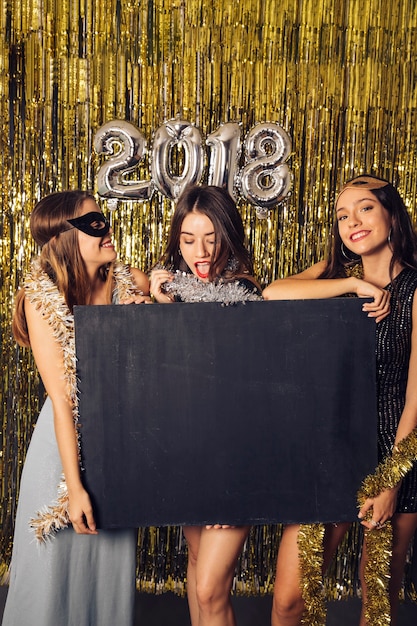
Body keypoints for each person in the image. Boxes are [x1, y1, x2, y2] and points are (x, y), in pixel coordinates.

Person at [263, 174, 417, 626]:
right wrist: (350, 287)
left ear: (392, 212)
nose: (353, 221)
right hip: (332, 454)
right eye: (342, 215)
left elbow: (415, 400)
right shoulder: (336, 279)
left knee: (378, 603)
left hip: (395, 455)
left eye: (365, 208)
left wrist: (390, 481)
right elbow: (273, 293)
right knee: (291, 599)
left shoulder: (415, 290)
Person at [2, 191, 150, 626]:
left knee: (106, 577)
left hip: (118, 444)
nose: (108, 230)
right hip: (62, 454)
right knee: (50, 582)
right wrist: (76, 487)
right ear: (66, 237)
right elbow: (63, 400)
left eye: (103, 219)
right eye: (94, 223)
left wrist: (154, 310)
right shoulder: (40, 298)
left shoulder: (131, 283)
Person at [150, 184, 261, 626]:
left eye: (212, 239)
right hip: (190, 451)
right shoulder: (176, 293)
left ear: (228, 237)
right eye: (189, 239)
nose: (202, 252)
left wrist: (168, 303)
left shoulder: (245, 294)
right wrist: (161, 303)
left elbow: (242, 395)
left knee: (210, 588)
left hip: (233, 459)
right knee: (196, 567)